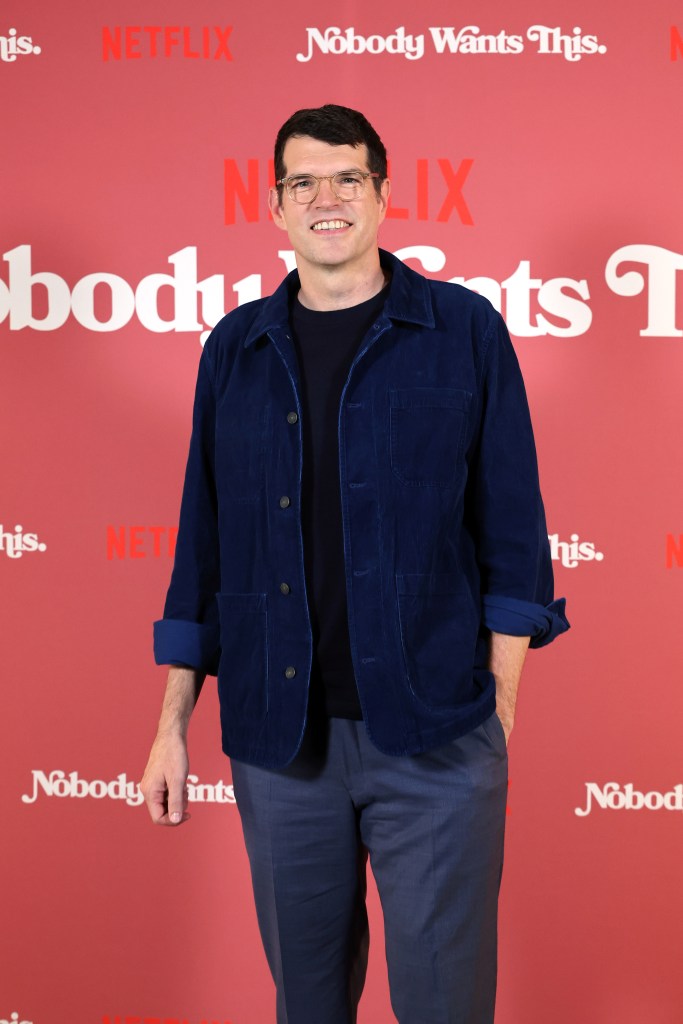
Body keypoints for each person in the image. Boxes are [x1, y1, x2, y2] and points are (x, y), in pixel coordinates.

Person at [141, 103, 569, 1024]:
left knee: (444, 1005)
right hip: (280, 743)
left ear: (381, 195)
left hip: (436, 737)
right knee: (307, 1005)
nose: (325, 199)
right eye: (304, 182)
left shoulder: (463, 331)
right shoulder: (236, 349)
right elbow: (201, 544)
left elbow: (512, 531)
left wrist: (496, 704)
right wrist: (172, 721)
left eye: (347, 179)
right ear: (276, 206)